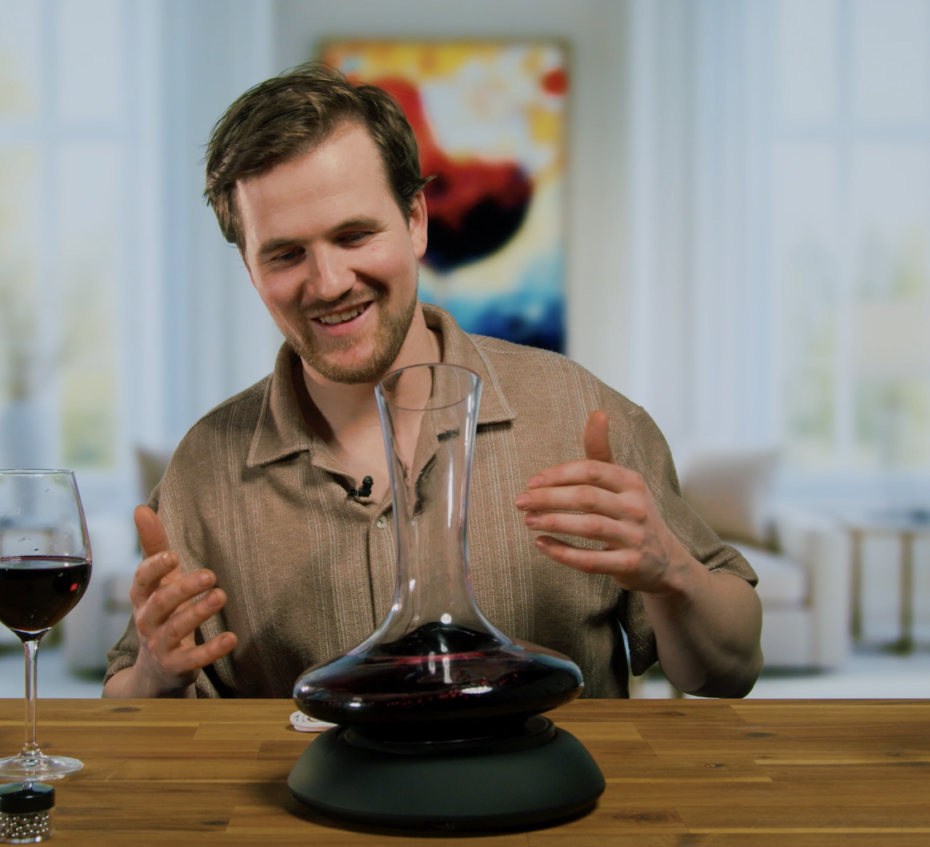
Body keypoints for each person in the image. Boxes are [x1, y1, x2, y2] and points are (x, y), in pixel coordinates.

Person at [103, 64, 762, 701]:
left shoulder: (580, 413)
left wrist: (674, 573)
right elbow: (129, 703)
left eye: (354, 234)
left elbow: (729, 670)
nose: (328, 282)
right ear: (250, 269)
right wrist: (154, 675)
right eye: (285, 253)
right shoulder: (201, 473)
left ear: (416, 219)